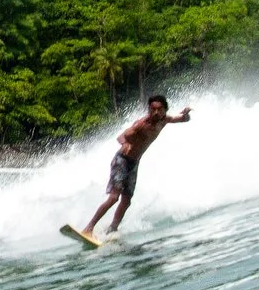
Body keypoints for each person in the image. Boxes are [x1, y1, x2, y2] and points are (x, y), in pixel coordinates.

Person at [78, 93, 191, 237]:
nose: (155, 112)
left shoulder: (164, 120)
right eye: (152, 109)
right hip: (122, 161)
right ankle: (88, 228)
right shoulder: (141, 124)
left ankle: (112, 229)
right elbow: (121, 136)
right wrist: (125, 143)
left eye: (159, 109)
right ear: (149, 109)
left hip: (134, 163)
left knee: (126, 201)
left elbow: (183, 119)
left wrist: (186, 114)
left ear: (164, 110)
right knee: (114, 198)